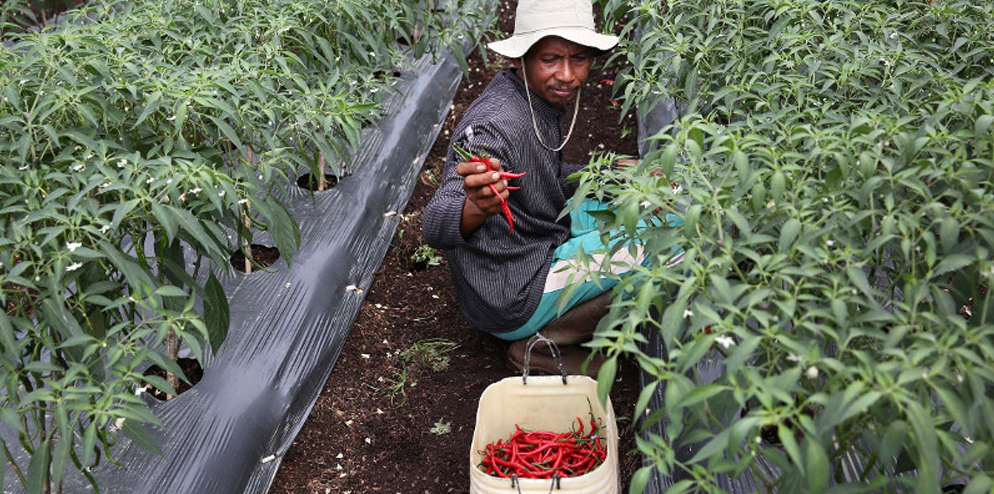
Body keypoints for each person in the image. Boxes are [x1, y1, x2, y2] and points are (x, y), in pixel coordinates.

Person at [422, 0, 644, 376]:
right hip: (514, 288)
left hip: (533, 242)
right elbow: (435, 223)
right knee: (659, 246)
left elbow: (546, 174)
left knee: (644, 207)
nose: (568, 75)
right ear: (521, 58)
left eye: (579, 58)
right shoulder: (494, 126)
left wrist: (611, 173)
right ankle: (542, 345)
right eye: (550, 59)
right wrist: (476, 207)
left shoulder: (532, 100)